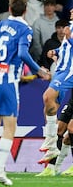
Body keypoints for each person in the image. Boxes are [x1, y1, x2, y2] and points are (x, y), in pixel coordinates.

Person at [0, 0, 51, 186]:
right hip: (8, 80)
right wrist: (39, 70)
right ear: (25, 11)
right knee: (10, 126)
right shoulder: (25, 29)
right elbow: (24, 53)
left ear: (9, 9)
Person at [39, 9, 73, 166]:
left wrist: (69, 37)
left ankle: (51, 142)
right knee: (48, 107)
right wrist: (56, 51)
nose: (71, 10)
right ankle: (51, 144)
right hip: (60, 69)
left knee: (47, 97)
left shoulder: (69, 30)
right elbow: (66, 48)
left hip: (68, 71)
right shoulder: (70, 26)